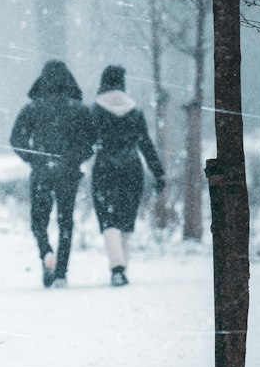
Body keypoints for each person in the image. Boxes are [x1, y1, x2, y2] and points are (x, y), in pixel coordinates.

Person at [10, 59, 94, 288]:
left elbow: (16, 139)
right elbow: (91, 141)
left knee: (39, 220)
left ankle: (46, 253)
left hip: (41, 173)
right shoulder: (79, 109)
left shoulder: (32, 108)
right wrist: (74, 159)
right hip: (68, 173)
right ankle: (61, 273)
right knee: (65, 221)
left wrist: (35, 159)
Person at [89, 64, 165, 286]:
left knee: (108, 219)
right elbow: (146, 145)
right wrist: (158, 173)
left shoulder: (95, 110)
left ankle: (117, 268)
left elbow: (87, 141)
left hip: (104, 168)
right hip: (132, 168)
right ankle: (122, 268)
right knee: (125, 219)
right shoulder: (135, 111)